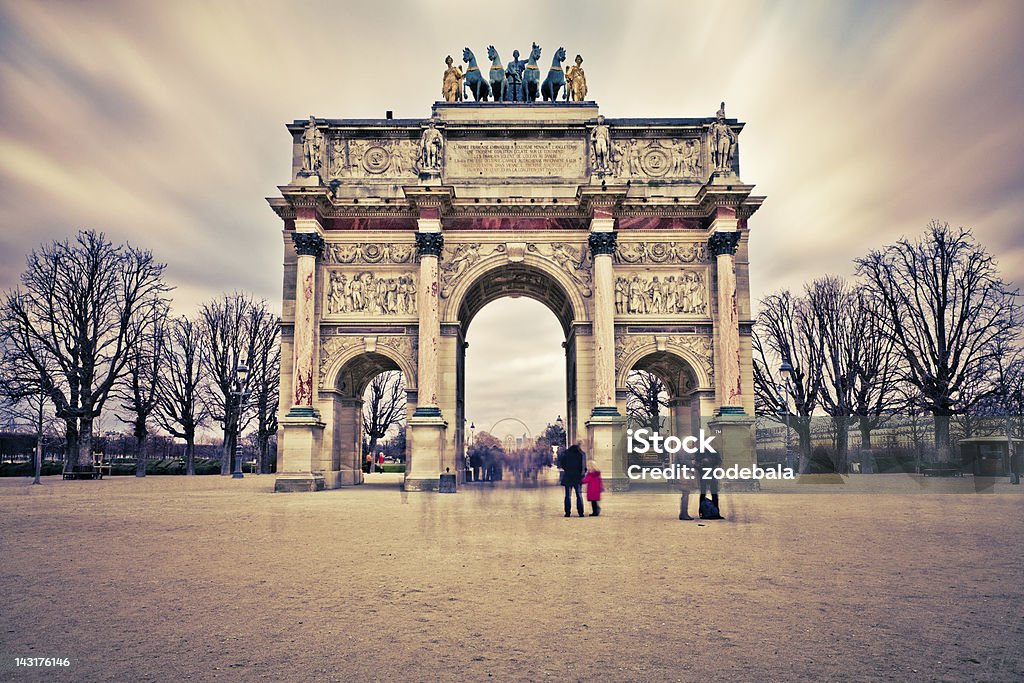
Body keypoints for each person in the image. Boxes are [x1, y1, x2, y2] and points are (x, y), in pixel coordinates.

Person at [557, 441, 587, 517]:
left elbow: (562, 464)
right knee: (579, 495)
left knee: (567, 496)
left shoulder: (566, 454)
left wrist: (568, 470)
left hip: (568, 476)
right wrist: (581, 473)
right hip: (577, 477)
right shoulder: (581, 454)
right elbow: (583, 467)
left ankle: (567, 513)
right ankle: (581, 512)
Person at [698, 450, 724, 519]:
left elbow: (719, 461)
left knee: (713, 494)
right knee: (704, 494)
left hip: (711, 474)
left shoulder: (713, 452)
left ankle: (714, 512)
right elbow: (696, 464)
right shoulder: (701, 452)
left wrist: (709, 461)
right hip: (705, 474)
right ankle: (703, 512)